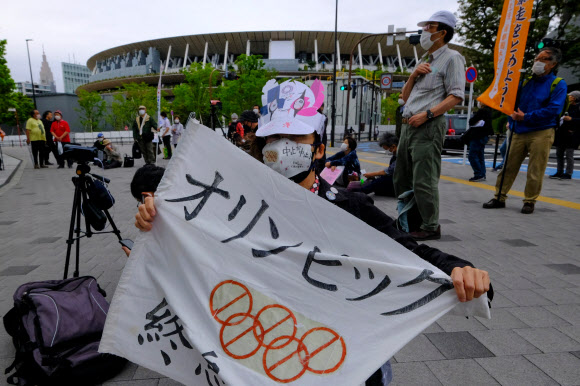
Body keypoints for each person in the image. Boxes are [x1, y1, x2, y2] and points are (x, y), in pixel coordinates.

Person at [134, 117, 492, 386]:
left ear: (318, 149)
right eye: (273, 139)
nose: (283, 146)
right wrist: (158, 220)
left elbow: (407, 250)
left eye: (295, 137)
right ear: (261, 151)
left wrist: (460, 268)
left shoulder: (350, 207)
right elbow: (193, 241)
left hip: (338, 356)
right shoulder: (237, 207)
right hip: (265, 348)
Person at [395, 10, 466, 241]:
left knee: (423, 178)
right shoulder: (423, 61)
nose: (424, 31)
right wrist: (412, 75)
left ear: (442, 32)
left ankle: (430, 226)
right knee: (401, 177)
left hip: (428, 125)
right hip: (408, 124)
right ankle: (410, 221)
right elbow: (405, 98)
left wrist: (427, 114)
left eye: (430, 27)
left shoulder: (452, 58)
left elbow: (456, 96)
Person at [483, 47, 567, 214]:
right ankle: (499, 196)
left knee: (535, 169)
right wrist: (512, 118)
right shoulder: (526, 81)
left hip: (542, 131)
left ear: (553, 64)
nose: (537, 62)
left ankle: (530, 201)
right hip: (519, 130)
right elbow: (511, 102)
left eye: (543, 59)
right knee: (508, 166)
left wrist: (526, 116)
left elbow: (554, 110)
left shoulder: (558, 84)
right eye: (537, 58)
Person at [354, 132, 398, 197]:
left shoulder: (401, 156)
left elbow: (388, 171)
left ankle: (358, 193)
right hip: (394, 180)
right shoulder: (394, 155)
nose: (388, 151)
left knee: (379, 181)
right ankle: (359, 187)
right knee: (376, 182)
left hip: (399, 184)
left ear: (393, 146)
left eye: (388, 149)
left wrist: (371, 174)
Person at [551, 90, 580, 180]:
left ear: (574, 98)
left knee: (569, 154)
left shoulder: (578, 108)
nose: (568, 97)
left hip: (572, 134)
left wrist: (571, 119)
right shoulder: (565, 106)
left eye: (570, 96)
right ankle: (559, 171)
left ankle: (568, 173)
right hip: (561, 133)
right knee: (559, 153)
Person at [464, 104, 493, 182]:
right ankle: (482, 174)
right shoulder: (489, 111)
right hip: (484, 136)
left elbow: (471, 121)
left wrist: (474, 119)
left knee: (472, 156)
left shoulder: (482, 111)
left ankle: (478, 173)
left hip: (477, 136)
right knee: (480, 156)